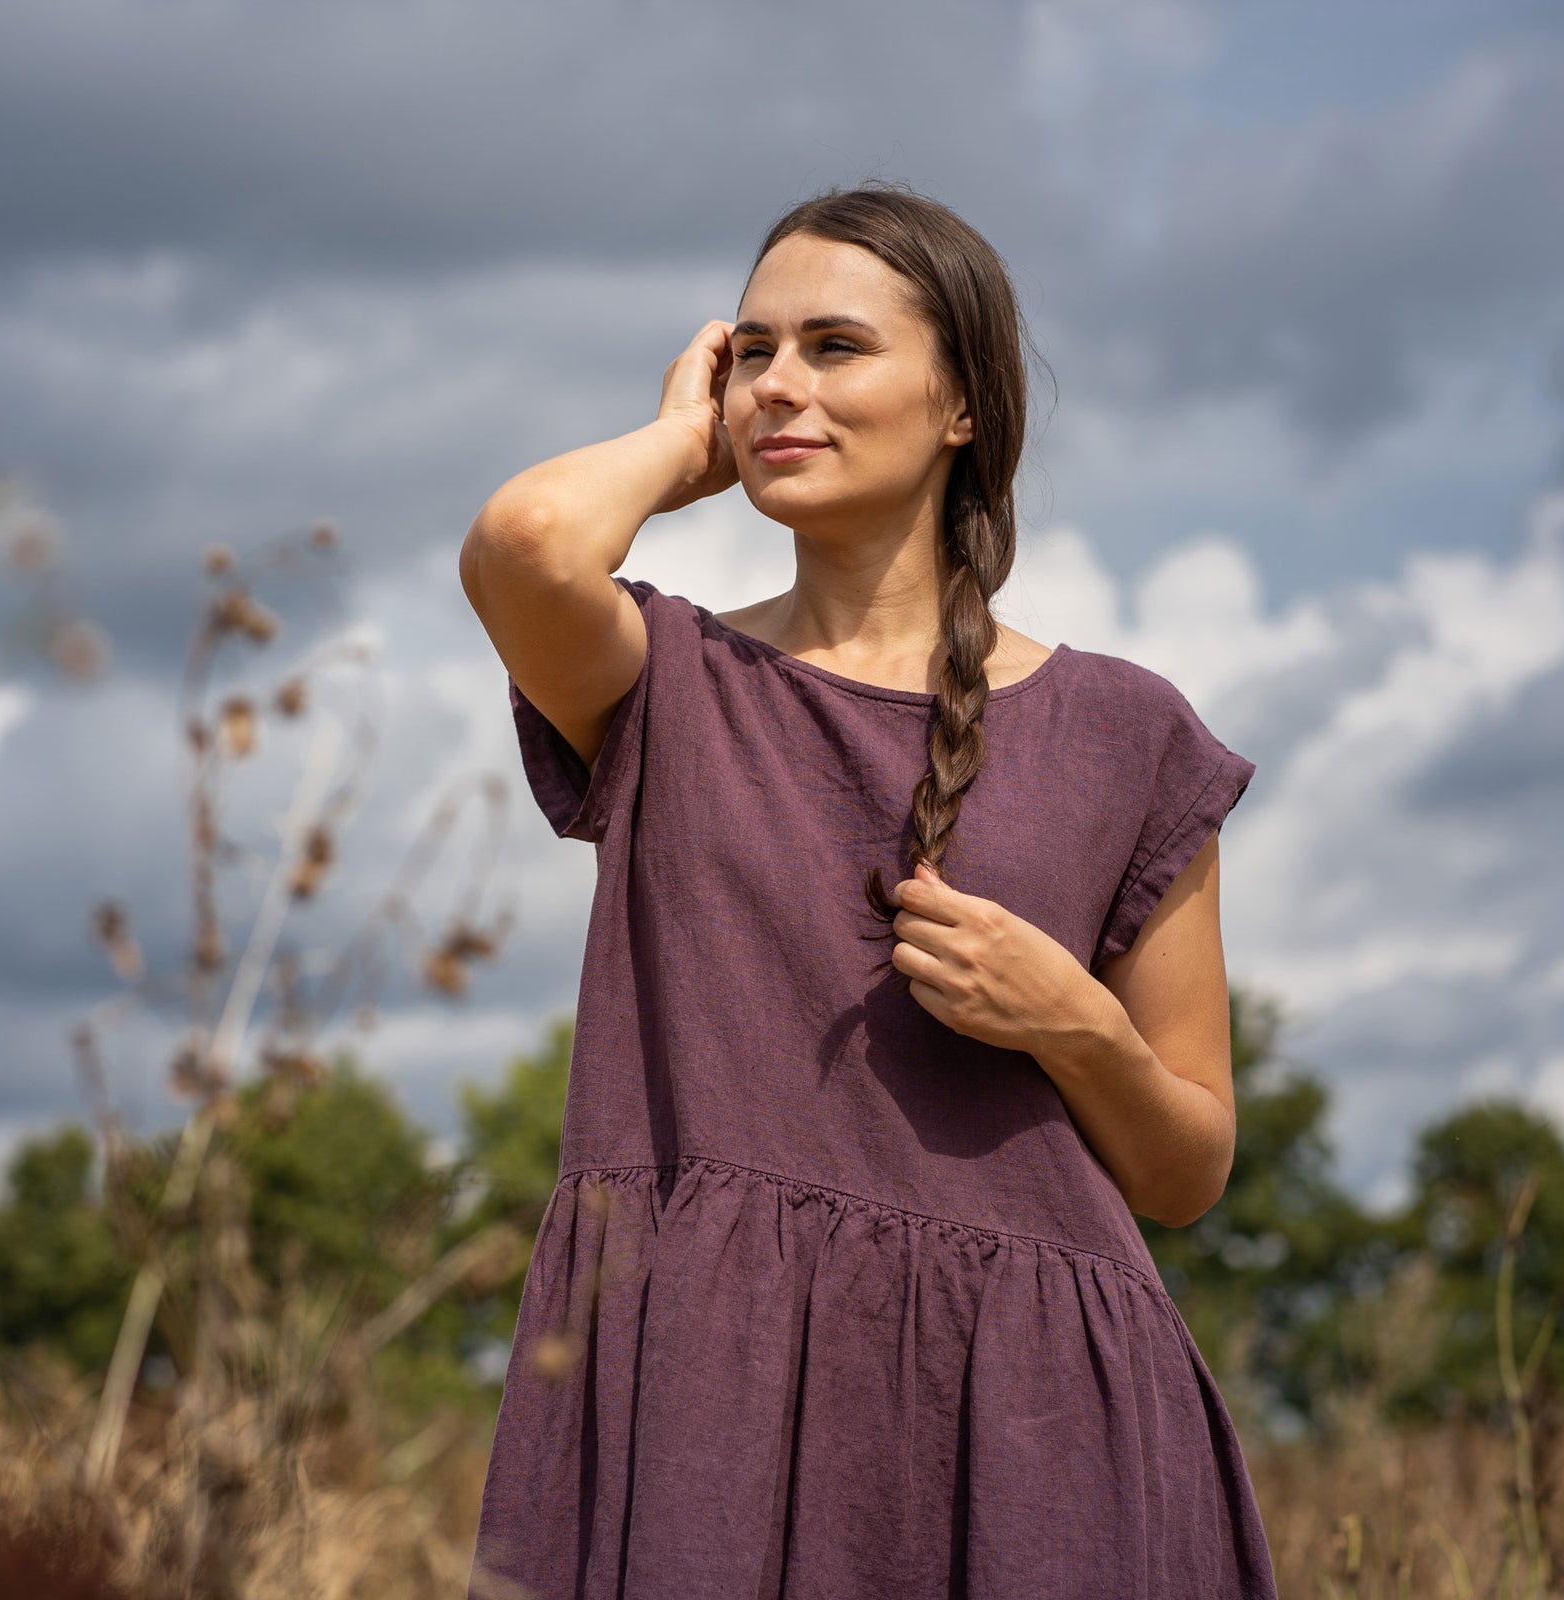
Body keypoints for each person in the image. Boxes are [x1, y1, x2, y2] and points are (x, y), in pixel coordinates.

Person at [459, 181, 1277, 1599]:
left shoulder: (1130, 734)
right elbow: (526, 542)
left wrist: (1072, 1024)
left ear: (963, 404)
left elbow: (1186, 1170)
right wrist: (676, 439)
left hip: (1040, 1423)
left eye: (836, 348)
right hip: (710, 1395)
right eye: (753, 353)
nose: (782, 386)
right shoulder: (665, 683)